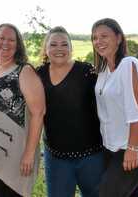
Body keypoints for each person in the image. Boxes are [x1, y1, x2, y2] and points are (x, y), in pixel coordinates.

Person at [0, 23, 45, 197]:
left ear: (18, 44)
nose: (5, 43)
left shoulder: (24, 71)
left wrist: (29, 154)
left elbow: (38, 113)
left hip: (14, 153)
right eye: (2, 38)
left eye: (11, 40)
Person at [91, 18, 138, 197]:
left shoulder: (129, 65)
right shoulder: (103, 70)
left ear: (119, 38)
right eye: (95, 38)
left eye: (104, 36)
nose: (99, 41)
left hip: (135, 145)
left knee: (107, 193)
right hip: (111, 146)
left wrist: (132, 149)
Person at [37, 26, 104, 197]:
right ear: (46, 48)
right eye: (53, 45)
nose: (59, 49)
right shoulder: (38, 75)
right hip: (56, 158)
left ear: (71, 48)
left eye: (64, 44)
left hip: (92, 157)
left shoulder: (87, 71)